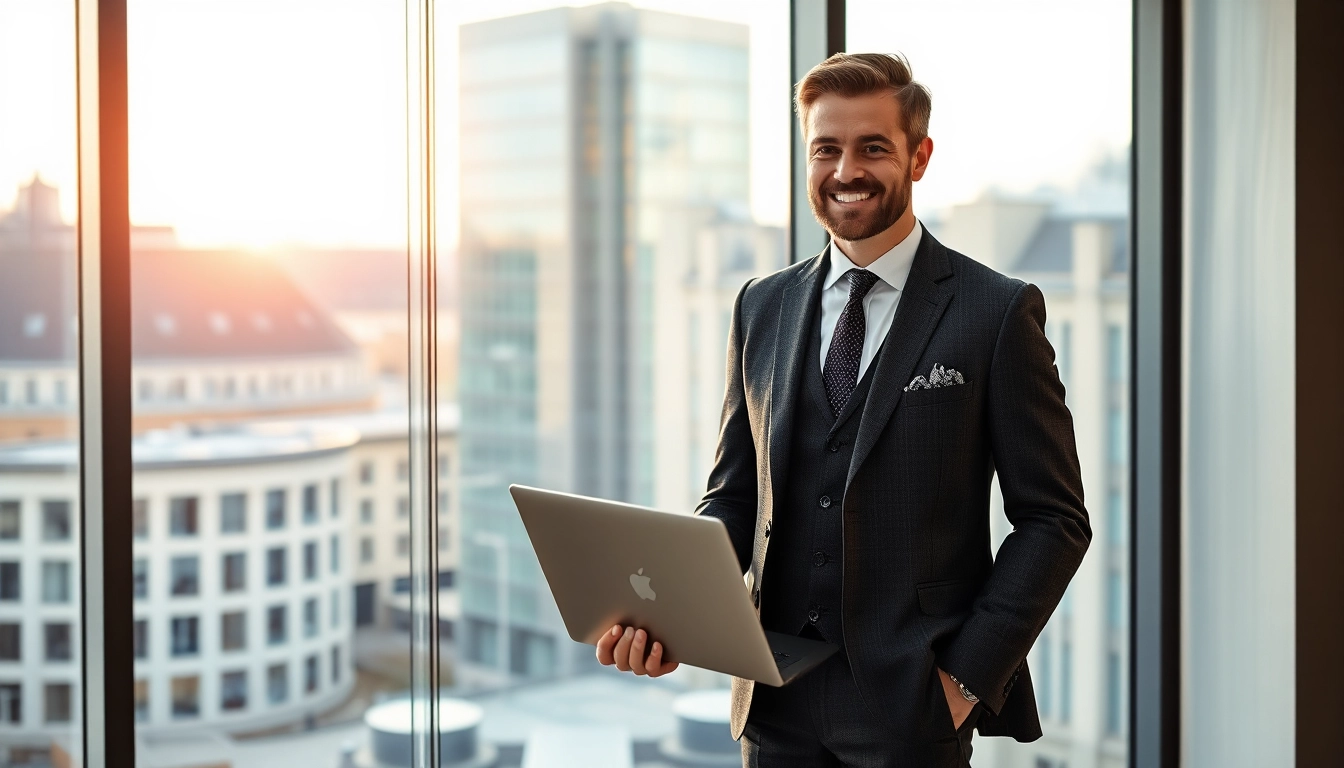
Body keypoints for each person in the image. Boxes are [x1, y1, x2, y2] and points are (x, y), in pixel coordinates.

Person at [596, 52, 1090, 768]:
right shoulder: (761, 304)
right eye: (826, 148)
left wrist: (964, 681)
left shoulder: (995, 311)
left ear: (919, 157)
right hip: (774, 707)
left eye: (873, 148)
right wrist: (663, 615)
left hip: (913, 710)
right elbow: (733, 498)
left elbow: (1054, 520)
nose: (845, 170)